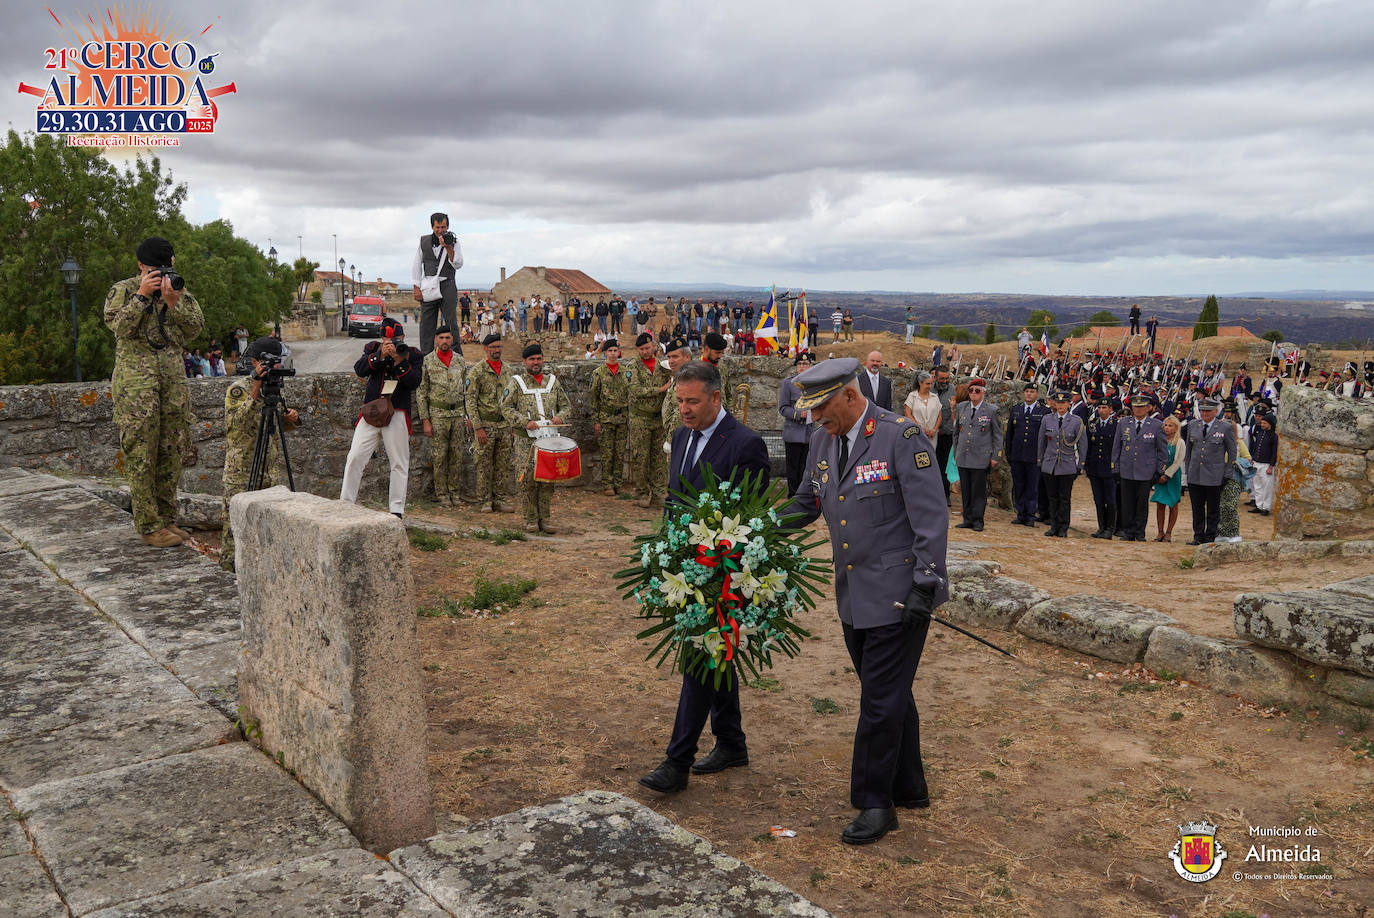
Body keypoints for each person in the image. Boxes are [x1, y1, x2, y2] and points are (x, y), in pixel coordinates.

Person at [780, 357, 948, 845]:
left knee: (878, 700)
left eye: (821, 408)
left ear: (850, 397)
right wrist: (754, 530)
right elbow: (807, 503)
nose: (812, 418)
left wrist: (926, 584)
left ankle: (876, 803)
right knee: (890, 692)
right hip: (854, 595)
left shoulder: (901, 437)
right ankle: (910, 786)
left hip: (899, 597)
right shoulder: (822, 440)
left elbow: (931, 517)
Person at [638, 361, 772, 797]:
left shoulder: (746, 444)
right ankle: (731, 742)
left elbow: (752, 519)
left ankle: (678, 761)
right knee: (715, 657)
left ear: (717, 397)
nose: (683, 410)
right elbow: (674, 502)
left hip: (725, 579)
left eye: (692, 401)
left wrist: (725, 574)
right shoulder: (679, 437)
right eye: (679, 401)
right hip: (686, 571)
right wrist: (665, 558)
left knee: (701, 661)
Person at [103, 236, 205, 547]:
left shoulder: (178, 290)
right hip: (137, 385)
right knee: (141, 453)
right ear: (140, 266)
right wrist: (142, 297)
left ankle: (166, 519)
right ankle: (148, 525)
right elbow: (118, 328)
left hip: (172, 381)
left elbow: (195, 329)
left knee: (171, 452)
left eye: (164, 267)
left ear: (172, 263)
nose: (160, 274)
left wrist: (173, 303)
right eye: (153, 268)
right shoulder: (123, 289)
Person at [220, 337, 300, 570]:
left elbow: (275, 425)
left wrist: (290, 420)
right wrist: (255, 388)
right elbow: (236, 424)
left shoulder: (273, 387)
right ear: (256, 361)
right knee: (234, 528)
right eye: (273, 362)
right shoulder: (238, 390)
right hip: (242, 472)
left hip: (269, 473)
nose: (278, 367)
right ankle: (228, 572)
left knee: (267, 527)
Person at [340, 318, 421, 518]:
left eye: (396, 338)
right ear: (382, 338)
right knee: (355, 457)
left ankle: (396, 510)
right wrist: (380, 355)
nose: (392, 342)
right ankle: (345, 504)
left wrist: (400, 361)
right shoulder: (372, 348)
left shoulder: (413, 354)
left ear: (402, 337)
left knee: (399, 463)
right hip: (371, 411)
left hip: (397, 412)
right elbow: (360, 369)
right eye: (388, 338)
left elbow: (414, 382)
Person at [501, 343, 570, 534]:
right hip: (526, 441)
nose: (536, 362)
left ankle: (545, 519)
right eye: (532, 359)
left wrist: (560, 417)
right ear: (524, 362)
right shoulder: (516, 383)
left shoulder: (552, 382)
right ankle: (530, 518)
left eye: (538, 359)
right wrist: (524, 421)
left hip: (549, 440)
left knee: (548, 479)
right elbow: (505, 408)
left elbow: (566, 406)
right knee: (527, 480)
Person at [415, 324, 472, 508]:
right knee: (439, 457)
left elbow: (468, 391)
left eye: (448, 338)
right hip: (437, 415)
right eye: (441, 338)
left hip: (457, 414)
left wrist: (469, 416)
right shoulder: (427, 362)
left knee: (457, 455)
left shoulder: (460, 361)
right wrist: (426, 420)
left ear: (452, 340)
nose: (445, 341)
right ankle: (442, 494)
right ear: (435, 340)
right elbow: (422, 392)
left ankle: (455, 493)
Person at [466, 334, 514, 513]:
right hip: (485, 424)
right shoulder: (477, 371)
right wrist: (478, 427)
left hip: (504, 425)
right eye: (492, 347)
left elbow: (513, 399)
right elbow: (470, 400)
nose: (496, 350)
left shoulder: (508, 370)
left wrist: (512, 425)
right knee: (483, 464)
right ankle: (485, 500)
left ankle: (500, 499)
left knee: (502, 464)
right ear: (485, 349)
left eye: (499, 347)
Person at [1111, 394, 1169, 541]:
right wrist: (1115, 467)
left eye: (1141, 407)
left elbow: (1162, 451)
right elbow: (1116, 447)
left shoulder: (1156, 425)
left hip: (1146, 471)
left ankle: (1139, 532)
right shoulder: (1123, 423)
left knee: (1142, 504)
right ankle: (1128, 531)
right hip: (1126, 469)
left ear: (1148, 408)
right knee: (1127, 503)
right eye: (1135, 407)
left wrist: (1159, 470)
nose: (1138, 409)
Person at [627, 331, 672, 508]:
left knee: (659, 457)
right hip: (640, 419)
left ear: (653, 346)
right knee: (641, 457)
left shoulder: (663, 366)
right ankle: (642, 492)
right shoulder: (633, 367)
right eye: (641, 349)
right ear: (637, 350)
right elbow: (635, 391)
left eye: (647, 347)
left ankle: (659, 491)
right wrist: (660, 389)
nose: (645, 351)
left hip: (658, 419)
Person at [1185, 398, 1237, 545]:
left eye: (1208, 411)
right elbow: (1189, 450)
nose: (1205, 413)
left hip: (1215, 475)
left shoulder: (1224, 427)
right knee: (1197, 508)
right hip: (1195, 474)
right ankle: (1198, 535)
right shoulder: (1192, 425)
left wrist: (1227, 473)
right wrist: (1188, 470)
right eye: (1202, 410)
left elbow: (1232, 452)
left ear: (1216, 411)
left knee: (1213, 509)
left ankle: (1210, 537)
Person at [410, 212, 463, 356]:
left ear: (448, 226)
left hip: (448, 285)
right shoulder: (424, 242)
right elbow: (416, 264)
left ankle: (457, 357)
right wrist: (416, 287)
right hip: (429, 286)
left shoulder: (454, 241)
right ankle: (425, 358)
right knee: (426, 324)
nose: (441, 230)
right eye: (438, 227)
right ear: (432, 226)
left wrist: (447, 246)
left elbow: (458, 263)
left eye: (444, 227)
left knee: (451, 323)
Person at [952, 377, 1002, 531]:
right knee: (965, 490)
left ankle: (978, 520)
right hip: (963, 455)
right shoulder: (961, 407)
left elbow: (997, 436)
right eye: (971, 390)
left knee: (978, 492)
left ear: (983, 393)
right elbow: (956, 432)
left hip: (981, 457)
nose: (973, 393)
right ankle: (967, 519)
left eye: (977, 391)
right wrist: (956, 451)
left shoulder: (992, 410)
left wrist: (995, 457)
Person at [1037, 390, 1085, 537]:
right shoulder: (1047, 419)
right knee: (1052, 497)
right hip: (1050, 464)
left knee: (1064, 497)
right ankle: (1053, 525)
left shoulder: (1076, 421)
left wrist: (1080, 464)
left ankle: (1063, 527)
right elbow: (1042, 442)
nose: (1060, 405)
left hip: (1067, 464)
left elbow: (1083, 444)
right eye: (1058, 403)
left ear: (1069, 403)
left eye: (1063, 402)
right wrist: (1040, 460)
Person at [589, 339, 630, 495]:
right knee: (607, 453)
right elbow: (593, 398)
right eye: (610, 351)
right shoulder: (598, 373)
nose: (613, 354)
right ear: (605, 353)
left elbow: (630, 395)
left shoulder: (626, 372)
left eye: (615, 350)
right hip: (605, 418)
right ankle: (607, 484)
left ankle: (618, 483)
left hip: (622, 418)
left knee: (619, 452)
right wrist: (596, 421)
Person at [1005, 383, 1049, 526]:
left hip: (1034, 455)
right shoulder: (1016, 409)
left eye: (1032, 391)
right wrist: (1009, 453)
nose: (1029, 394)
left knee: (1032, 486)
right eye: (1027, 391)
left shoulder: (1043, 411)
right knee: (1019, 485)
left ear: (1037, 394)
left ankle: (1030, 515)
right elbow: (1010, 433)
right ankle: (1020, 513)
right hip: (1018, 454)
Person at [779, 351, 816, 495]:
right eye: (800, 364)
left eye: (805, 364)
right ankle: (793, 497)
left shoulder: (815, 384)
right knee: (793, 469)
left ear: (810, 366)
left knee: (806, 468)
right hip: (793, 433)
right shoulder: (788, 383)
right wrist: (800, 415)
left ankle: (803, 496)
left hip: (810, 434)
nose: (802, 367)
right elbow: (783, 408)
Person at [1084, 397, 1119, 539]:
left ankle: (1110, 528)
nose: (1101, 410)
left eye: (1104, 408)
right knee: (1098, 498)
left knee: (1110, 499)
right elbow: (1089, 446)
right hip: (1094, 467)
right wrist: (1086, 465)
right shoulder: (1093, 424)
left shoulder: (1116, 424)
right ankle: (1101, 527)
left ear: (1111, 409)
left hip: (1109, 468)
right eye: (1099, 408)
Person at [1149, 415, 1186, 541]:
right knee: (1160, 503)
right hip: (1159, 474)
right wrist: (1159, 474)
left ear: (1176, 428)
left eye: (1170, 425)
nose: (1167, 428)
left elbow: (1178, 461)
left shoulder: (1179, 442)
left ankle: (1169, 532)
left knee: (1173, 504)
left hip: (1172, 476)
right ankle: (1160, 531)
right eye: (1165, 425)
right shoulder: (1160, 440)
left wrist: (1167, 475)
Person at [903, 371, 943, 459]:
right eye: (927, 384)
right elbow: (907, 414)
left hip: (932, 435)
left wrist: (934, 430)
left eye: (931, 384)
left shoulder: (935, 397)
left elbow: (939, 415)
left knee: (930, 457)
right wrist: (920, 428)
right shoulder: (912, 396)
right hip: (917, 433)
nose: (930, 386)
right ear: (920, 383)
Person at [931, 366, 956, 505]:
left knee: (944, 467)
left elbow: (954, 412)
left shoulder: (953, 390)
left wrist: (942, 429)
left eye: (947, 378)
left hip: (945, 435)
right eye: (942, 378)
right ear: (935, 377)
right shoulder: (929, 389)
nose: (945, 381)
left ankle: (945, 495)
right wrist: (932, 429)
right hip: (929, 435)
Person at [1247, 410, 1278, 516]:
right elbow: (1256, 447)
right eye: (1262, 423)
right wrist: (1253, 459)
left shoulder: (1273, 436)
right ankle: (1259, 505)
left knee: (1267, 487)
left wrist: (1271, 466)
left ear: (1269, 424)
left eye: (1264, 423)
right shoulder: (1260, 434)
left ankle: (1266, 507)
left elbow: (1274, 452)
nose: (1262, 424)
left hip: (1266, 464)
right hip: (1257, 462)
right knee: (1257, 485)